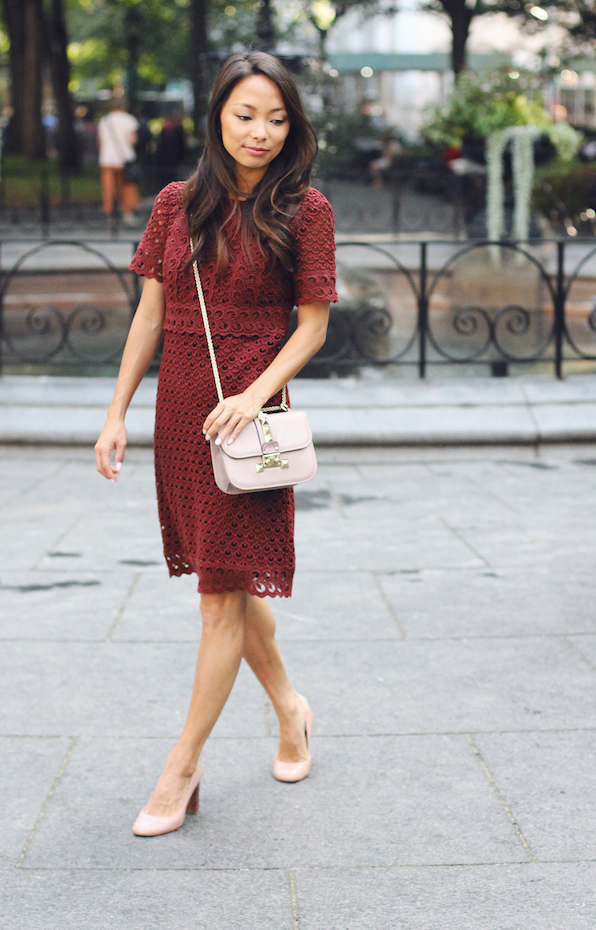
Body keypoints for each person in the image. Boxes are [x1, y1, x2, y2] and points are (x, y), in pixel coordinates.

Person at [95, 51, 337, 838]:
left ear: (292, 125)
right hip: (182, 415)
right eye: (245, 115)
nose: (261, 132)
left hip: (251, 422)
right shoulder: (175, 204)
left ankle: (182, 767)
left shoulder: (308, 211)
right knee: (227, 584)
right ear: (217, 117)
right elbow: (148, 317)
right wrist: (115, 412)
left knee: (217, 599)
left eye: (276, 118)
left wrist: (253, 394)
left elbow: (313, 327)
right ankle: (292, 709)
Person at [98, 98, 140, 225]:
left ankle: (110, 213)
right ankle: (127, 212)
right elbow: (132, 140)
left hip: (107, 157)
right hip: (124, 157)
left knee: (108, 187)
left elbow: (100, 141)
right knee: (127, 186)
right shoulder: (129, 120)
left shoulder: (104, 120)